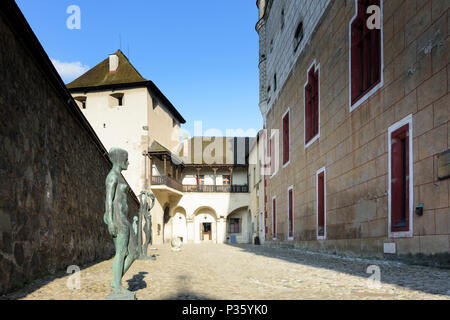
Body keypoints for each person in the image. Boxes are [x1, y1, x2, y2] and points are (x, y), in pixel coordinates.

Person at [104, 148, 137, 296]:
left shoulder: (120, 176)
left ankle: (116, 280)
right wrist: (110, 221)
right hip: (117, 218)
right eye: (126, 159)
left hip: (125, 218)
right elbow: (108, 201)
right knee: (121, 252)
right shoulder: (112, 176)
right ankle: (117, 286)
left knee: (133, 253)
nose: (128, 162)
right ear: (119, 159)